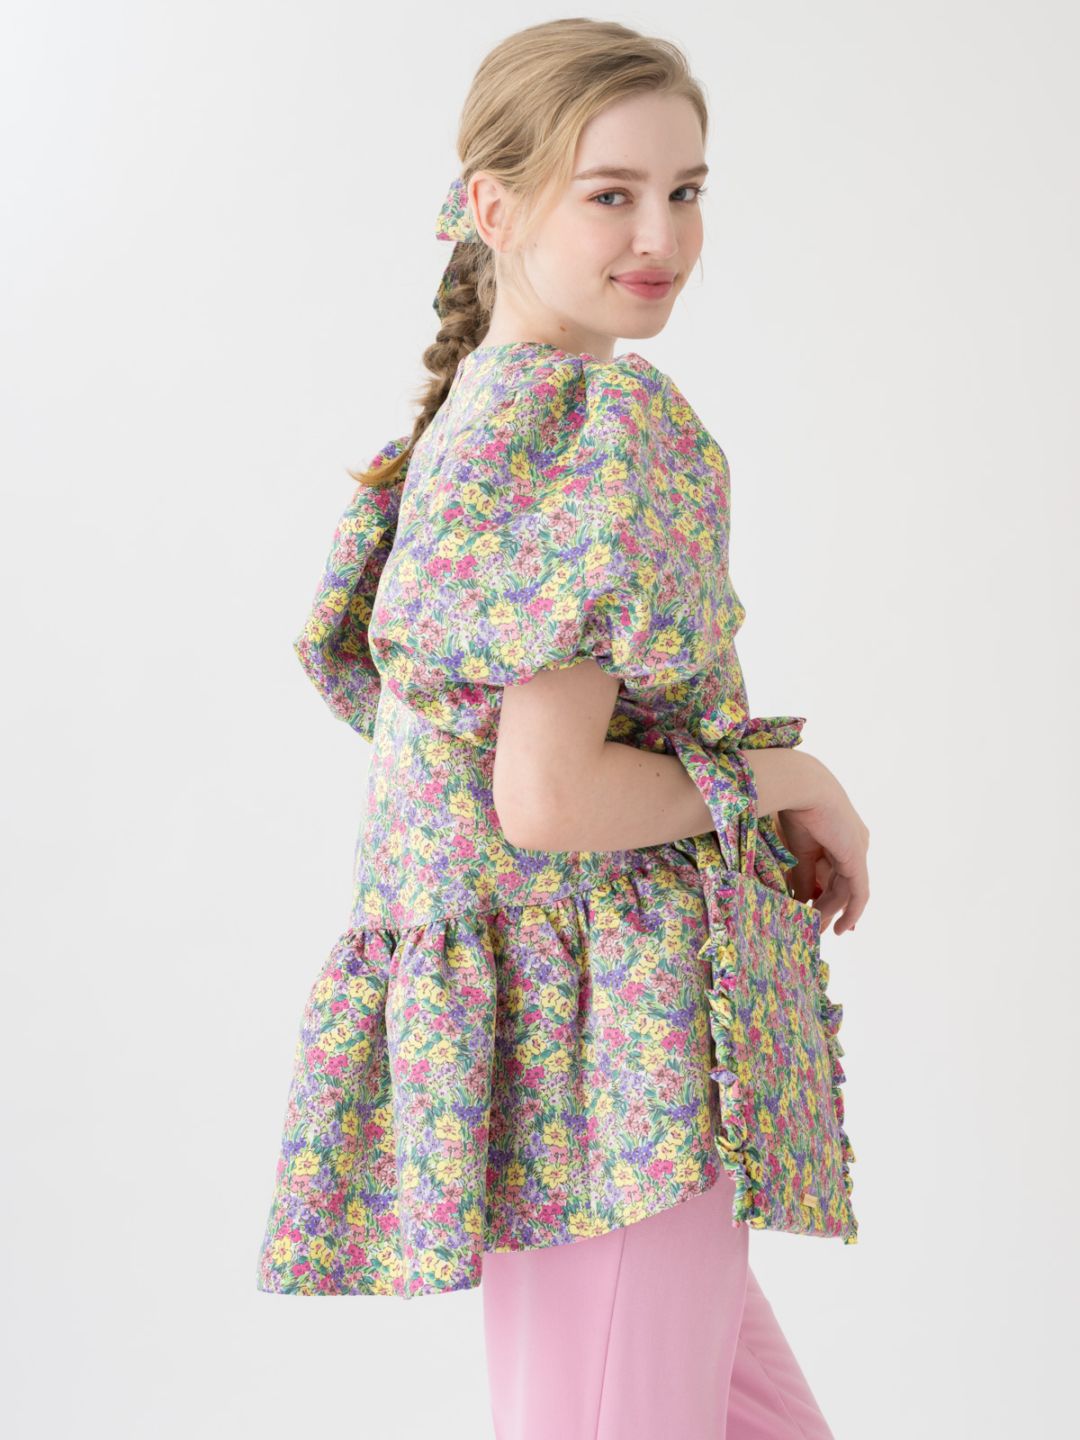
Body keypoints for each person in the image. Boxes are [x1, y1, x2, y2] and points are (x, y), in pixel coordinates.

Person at [255, 17, 870, 1439]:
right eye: (612, 193)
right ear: (493, 206)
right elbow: (546, 800)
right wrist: (793, 773)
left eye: (687, 190)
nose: (663, 235)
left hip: (586, 1065)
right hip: (612, 1073)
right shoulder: (590, 429)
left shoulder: (478, 421)